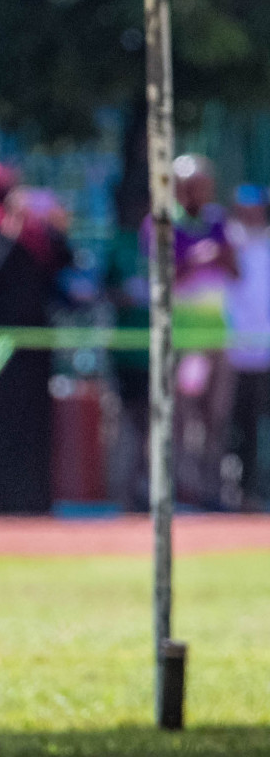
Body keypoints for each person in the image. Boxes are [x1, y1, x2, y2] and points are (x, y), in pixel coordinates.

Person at [0, 162, 73, 514]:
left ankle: (34, 496)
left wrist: (57, 227)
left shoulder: (37, 233)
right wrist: (13, 227)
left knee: (33, 422)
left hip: (33, 341)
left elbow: (61, 264)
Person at [143, 155, 239, 508]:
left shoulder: (218, 223)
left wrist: (220, 256)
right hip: (180, 340)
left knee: (217, 419)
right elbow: (163, 277)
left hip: (216, 338)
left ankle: (214, 492)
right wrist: (197, 259)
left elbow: (235, 271)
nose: (201, 193)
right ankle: (181, 492)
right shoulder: (163, 225)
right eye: (194, 186)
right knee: (179, 419)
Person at [226, 183, 270, 510]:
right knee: (234, 423)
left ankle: (256, 489)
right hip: (232, 349)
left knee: (258, 423)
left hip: (264, 349)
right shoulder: (227, 239)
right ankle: (237, 491)